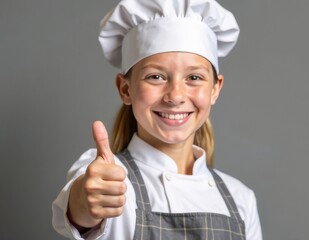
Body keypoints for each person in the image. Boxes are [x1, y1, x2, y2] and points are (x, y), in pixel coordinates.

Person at [52, 0, 262, 239]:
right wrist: (85, 201)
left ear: (215, 89)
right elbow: (82, 206)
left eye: (194, 77)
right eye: (156, 76)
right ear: (125, 89)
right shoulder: (110, 176)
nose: (175, 96)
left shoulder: (241, 199)